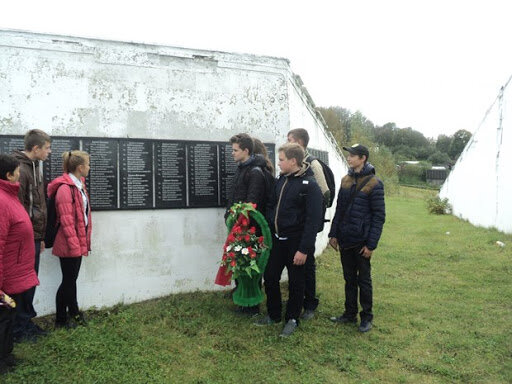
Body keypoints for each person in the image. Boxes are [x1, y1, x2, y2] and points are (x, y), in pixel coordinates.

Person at [255, 143, 322, 337]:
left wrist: (303, 250)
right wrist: (267, 233)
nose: (279, 163)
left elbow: (312, 222)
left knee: (296, 282)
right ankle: (274, 314)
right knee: (270, 277)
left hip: (296, 243)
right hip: (276, 241)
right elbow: (271, 205)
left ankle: (292, 318)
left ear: (293, 161)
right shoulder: (281, 180)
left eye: (282, 160)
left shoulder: (310, 186)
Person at [328, 144, 385, 333]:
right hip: (345, 238)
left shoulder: (375, 183)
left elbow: (379, 216)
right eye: (349, 155)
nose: (349, 158)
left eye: (353, 156)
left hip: (362, 242)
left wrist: (371, 245)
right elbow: (340, 209)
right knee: (349, 279)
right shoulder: (345, 180)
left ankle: (366, 317)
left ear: (363, 158)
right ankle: (349, 313)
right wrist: (333, 234)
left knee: (364, 280)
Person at [0, 154, 40, 373]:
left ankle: (6, 355)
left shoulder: (8, 195)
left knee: (7, 317)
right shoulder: (2, 200)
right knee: (2, 318)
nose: (20, 174)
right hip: (5, 274)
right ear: (9, 175)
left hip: (12, 271)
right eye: (17, 171)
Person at [11, 129, 51, 342]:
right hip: (24, 239)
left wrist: (41, 236)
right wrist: (27, 236)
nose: (49, 152)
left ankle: (25, 322)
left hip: (34, 237)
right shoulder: (21, 171)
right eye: (46, 148)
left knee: (30, 281)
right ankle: (19, 328)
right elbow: (19, 209)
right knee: (23, 283)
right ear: (35, 148)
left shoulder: (35, 168)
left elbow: (38, 205)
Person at [225, 133, 270, 315]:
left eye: (235, 150)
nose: (232, 154)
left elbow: (252, 204)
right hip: (238, 227)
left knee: (249, 265)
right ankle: (243, 300)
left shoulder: (255, 173)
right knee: (240, 263)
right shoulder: (242, 168)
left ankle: (252, 306)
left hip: (248, 229)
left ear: (246, 150)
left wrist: (241, 224)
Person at [47, 151, 92, 329]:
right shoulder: (65, 189)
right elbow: (66, 222)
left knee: (71, 279)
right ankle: (60, 320)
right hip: (68, 243)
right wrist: (75, 247)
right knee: (67, 281)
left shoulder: (79, 185)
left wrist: (81, 244)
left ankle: (74, 312)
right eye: (88, 164)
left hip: (76, 242)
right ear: (80, 167)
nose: (89, 167)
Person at [287, 128, 328, 320]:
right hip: (296, 226)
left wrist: (313, 217)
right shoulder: (294, 167)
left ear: (301, 143)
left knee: (308, 264)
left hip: (307, 226)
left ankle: (310, 303)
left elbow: (323, 192)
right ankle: (299, 298)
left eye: (291, 140)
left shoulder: (312, 164)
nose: (287, 143)